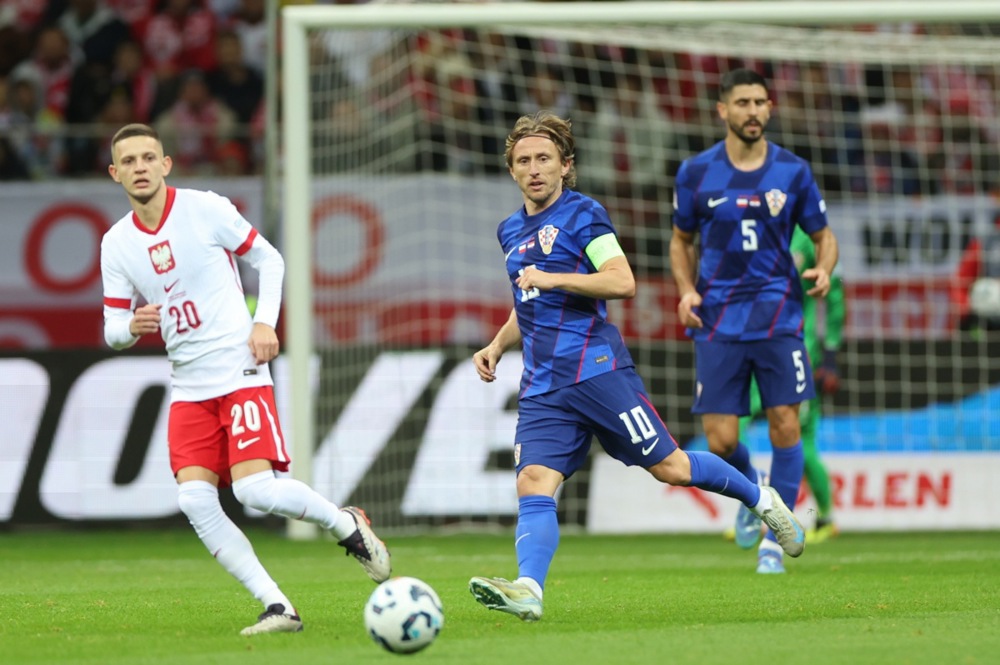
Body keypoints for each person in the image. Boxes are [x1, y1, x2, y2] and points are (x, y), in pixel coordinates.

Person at [468, 110, 805, 622]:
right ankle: (529, 589)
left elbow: (621, 280)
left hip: (596, 370)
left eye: (544, 159)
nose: (534, 169)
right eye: (524, 161)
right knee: (533, 481)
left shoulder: (584, 215)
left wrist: (556, 278)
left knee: (672, 468)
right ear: (511, 170)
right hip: (542, 385)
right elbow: (527, 299)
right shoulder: (509, 230)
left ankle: (763, 502)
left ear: (565, 166)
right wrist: (496, 345)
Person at [100, 123, 390, 636]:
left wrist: (264, 323)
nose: (139, 167)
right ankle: (278, 606)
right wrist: (131, 327)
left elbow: (269, 258)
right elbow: (111, 329)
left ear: (166, 164)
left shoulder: (205, 208)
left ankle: (345, 523)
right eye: (129, 161)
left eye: (148, 157)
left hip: (238, 370)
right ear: (115, 173)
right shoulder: (116, 243)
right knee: (194, 499)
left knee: (255, 490)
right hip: (188, 385)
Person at [669, 69, 839, 574]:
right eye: (742, 102)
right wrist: (686, 289)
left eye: (760, 102)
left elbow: (824, 235)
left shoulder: (792, 171)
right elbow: (680, 241)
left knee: (787, 423)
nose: (753, 111)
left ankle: (772, 543)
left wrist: (824, 268)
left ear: (769, 108)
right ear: (723, 110)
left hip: (778, 317)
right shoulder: (696, 173)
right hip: (718, 320)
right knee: (721, 441)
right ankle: (754, 494)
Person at [730, 226, 845, 544]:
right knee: (731, 429)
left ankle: (824, 517)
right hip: (751, 348)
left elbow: (834, 294)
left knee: (799, 439)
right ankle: (753, 505)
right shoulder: (747, 227)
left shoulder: (807, 237)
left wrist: (830, 353)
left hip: (796, 352)